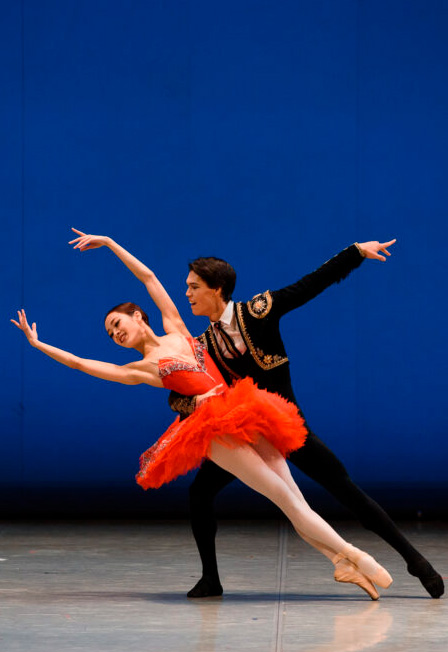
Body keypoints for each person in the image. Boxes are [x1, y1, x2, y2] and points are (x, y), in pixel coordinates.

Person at [10, 228, 394, 601]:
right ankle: (360, 558)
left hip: (245, 414)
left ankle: (340, 562)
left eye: (117, 324)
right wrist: (39, 344)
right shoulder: (141, 369)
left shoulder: (177, 328)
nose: (115, 334)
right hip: (214, 431)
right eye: (111, 334)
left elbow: (148, 277)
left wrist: (110, 243)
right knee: (286, 499)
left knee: (295, 501)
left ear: (138, 316)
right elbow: (80, 363)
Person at [168, 240, 445, 600]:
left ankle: (415, 561)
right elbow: (177, 395)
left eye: (193, 287)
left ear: (217, 289)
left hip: (289, 429)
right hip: (248, 437)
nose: (187, 294)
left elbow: (310, 285)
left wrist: (355, 253)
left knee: (345, 489)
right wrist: (195, 403)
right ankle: (211, 579)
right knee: (200, 492)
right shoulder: (203, 345)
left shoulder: (258, 312)